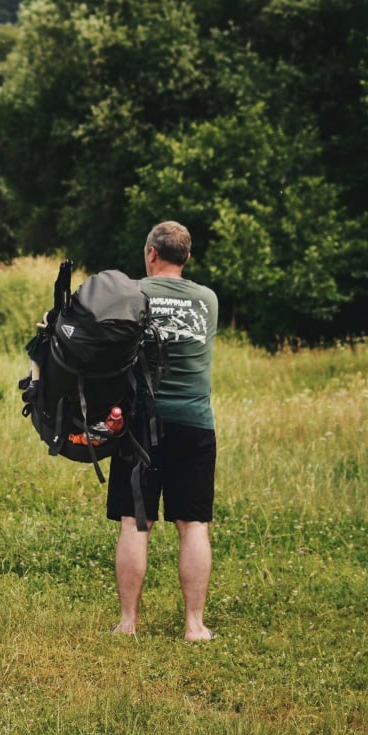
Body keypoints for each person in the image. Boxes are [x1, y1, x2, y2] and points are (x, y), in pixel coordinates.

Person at [109, 220, 218, 641]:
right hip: (194, 423)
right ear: (186, 258)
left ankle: (128, 623)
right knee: (193, 524)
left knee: (136, 522)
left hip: (140, 422)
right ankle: (194, 625)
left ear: (151, 252)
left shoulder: (133, 292)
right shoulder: (208, 299)